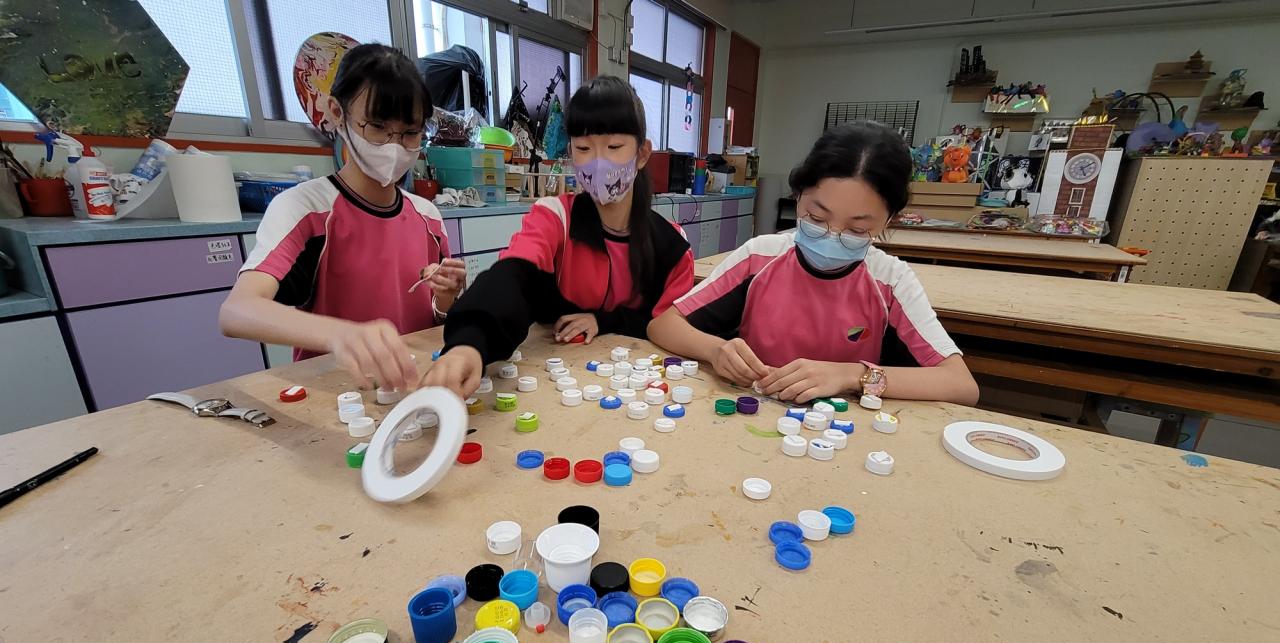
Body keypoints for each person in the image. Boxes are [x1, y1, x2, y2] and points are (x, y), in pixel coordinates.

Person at [647, 121, 979, 405]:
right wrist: (716, 350)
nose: (832, 236)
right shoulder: (760, 257)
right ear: (798, 195)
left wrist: (852, 375)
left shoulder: (890, 281)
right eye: (817, 218)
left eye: (857, 229)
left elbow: (961, 385)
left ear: (888, 220)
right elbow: (662, 325)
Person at [424, 75, 694, 398]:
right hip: (557, 385)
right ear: (570, 153)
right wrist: (469, 343)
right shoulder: (555, 217)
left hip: (641, 389)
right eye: (584, 148)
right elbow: (512, 277)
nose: (598, 162)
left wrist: (605, 320)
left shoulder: (672, 245)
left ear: (642, 153)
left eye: (614, 147)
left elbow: (671, 323)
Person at [219, 43, 464, 391]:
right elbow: (237, 311)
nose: (394, 146)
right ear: (338, 113)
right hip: (337, 395)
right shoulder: (306, 209)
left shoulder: (427, 215)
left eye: (410, 133)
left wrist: (446, 300)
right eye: (377, 127)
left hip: (414, 387)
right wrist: (342, 335)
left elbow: (435, 317)